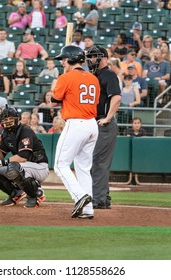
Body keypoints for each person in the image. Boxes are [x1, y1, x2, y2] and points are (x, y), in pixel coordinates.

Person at [51, 45, 100, 219]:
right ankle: (88, 210)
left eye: (64, 59)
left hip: (76, 123)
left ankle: (80, 196)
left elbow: (53, 101)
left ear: (72, 59)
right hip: (92, 125)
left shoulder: (66, 77)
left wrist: (57, 83)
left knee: (60, 165)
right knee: (83, 168)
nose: (62, 62)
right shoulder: (93, 78)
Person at [0, 105, 49, 208]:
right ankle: (15, 194)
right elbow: (0, 159)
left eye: (10, 118)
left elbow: (23, 157)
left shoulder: (25, 130)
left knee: (13, 167)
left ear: (17, 118)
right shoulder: (5, 134)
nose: (8, 121)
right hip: (23, 167)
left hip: (39, 167)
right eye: (5, 119)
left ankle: (35, 194)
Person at [86, 46, 121, 210]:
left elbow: (116, 97)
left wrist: (107, 118)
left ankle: (98, 199)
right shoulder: (92, 76)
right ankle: (103, 198)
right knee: (95, 161)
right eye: (90, 56)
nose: (92, 59)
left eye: (95, 56)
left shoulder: (109, 74)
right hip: (93, 122)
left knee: (98, 161)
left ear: (105, 58)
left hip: (103, 123)